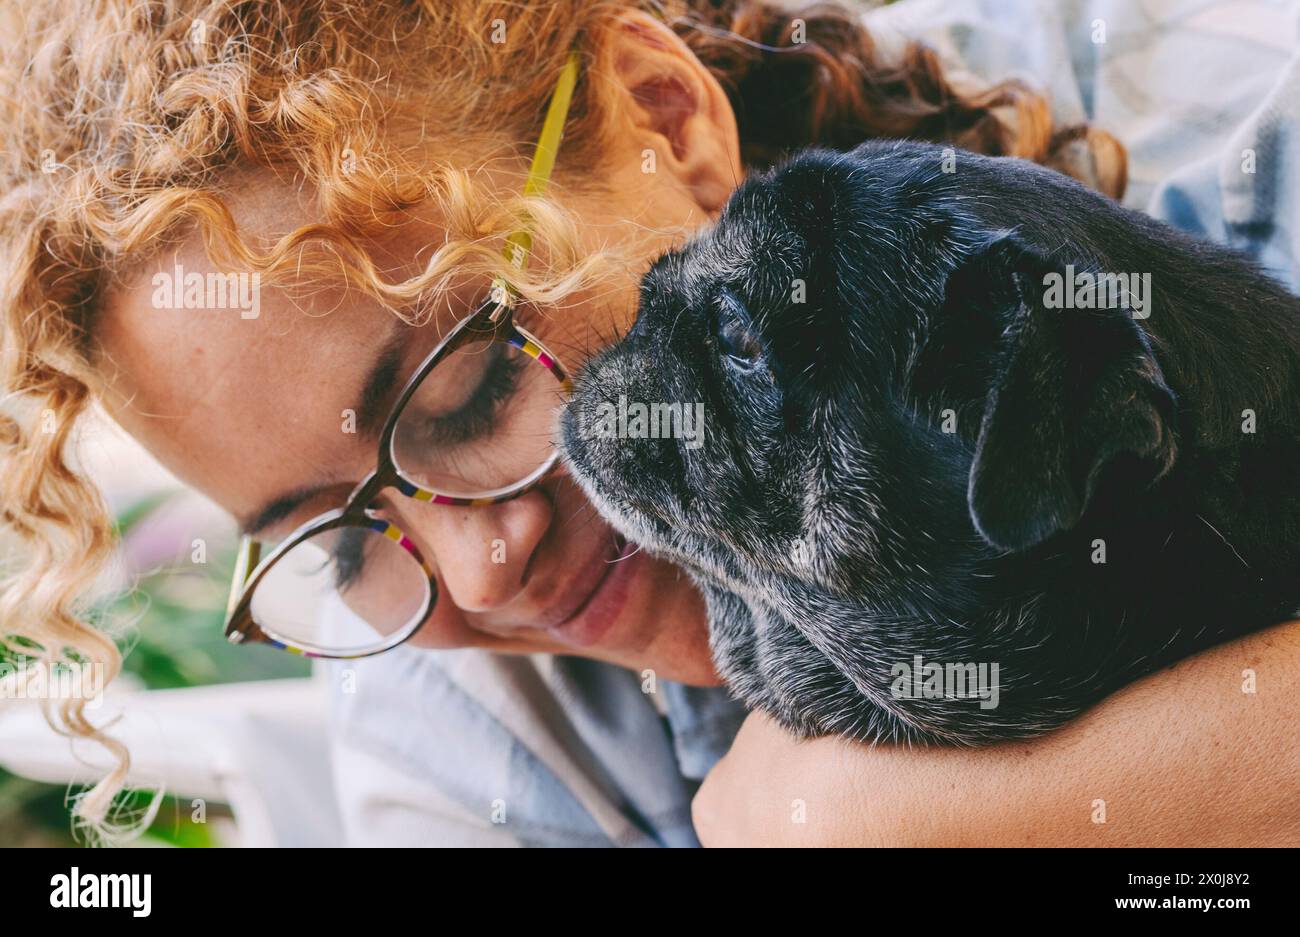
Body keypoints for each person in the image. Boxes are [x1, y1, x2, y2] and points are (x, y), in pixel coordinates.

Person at [0, 0, 1294, 846]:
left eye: (472, 390)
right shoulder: (467, 738)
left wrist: (895, 817)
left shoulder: (1229, 139)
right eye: (340, 540)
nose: (480, 564)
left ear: (666, 125)